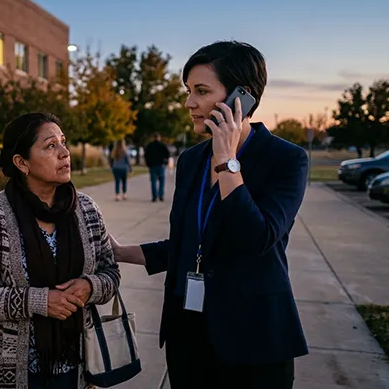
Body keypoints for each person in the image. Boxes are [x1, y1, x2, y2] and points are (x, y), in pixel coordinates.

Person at [111, 41, 309, 388]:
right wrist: (121, 252)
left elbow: (256, 238)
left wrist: (227, 161)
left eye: (201, 91)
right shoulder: (191, 160)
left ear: (240, 97)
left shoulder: (287, 159)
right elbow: (192, 240)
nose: (189, 103)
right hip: (188, 331)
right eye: (188, 91)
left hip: (253, 338)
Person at [0, 112, 121, 389]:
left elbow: (111, 273)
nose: (65, 153)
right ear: (22, 163)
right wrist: (38, 301)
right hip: (8, 372)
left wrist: (89, 286)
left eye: (63, 142)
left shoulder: (87, 210)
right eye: (50, 146)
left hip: (78, 369)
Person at [144, 133, 171, 202]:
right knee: (162, 181)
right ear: (159, 138)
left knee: (153, 182)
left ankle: (154, 197)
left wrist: (148, 164)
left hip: (152, 166)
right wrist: (165, 162)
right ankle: (161, 196)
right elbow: (168, 154)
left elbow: (146, 155)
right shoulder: (162, 145)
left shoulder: (150, 145)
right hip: (161, 165)